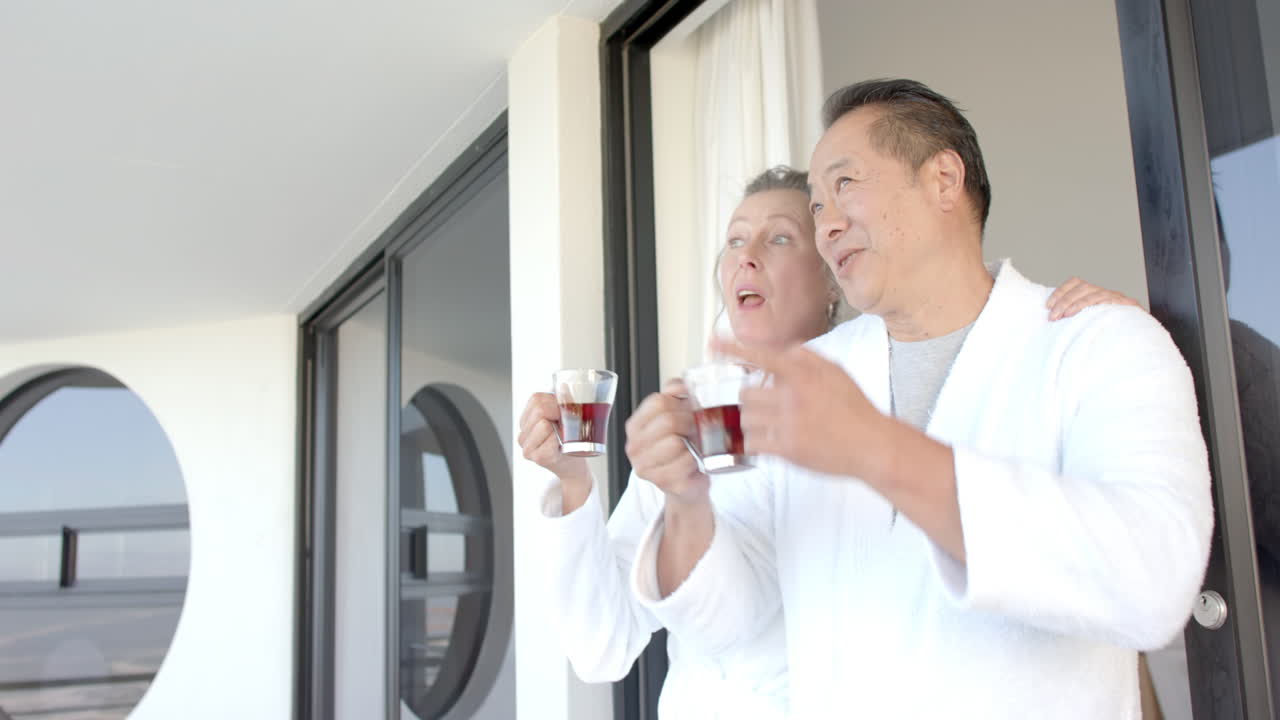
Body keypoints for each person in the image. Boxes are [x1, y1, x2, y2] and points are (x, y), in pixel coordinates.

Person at [624, 79, 1213, 719]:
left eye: (845, 185)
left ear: (943, 179)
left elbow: (1156, 578)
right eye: (817, 207)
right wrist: (686, 502)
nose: (828, 225)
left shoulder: (1098, 345)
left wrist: (878, 451)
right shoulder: (809, 378)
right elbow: (734, 620)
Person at [518, 167, 1138, 719]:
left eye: (780, 237)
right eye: (735, 239)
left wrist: (1100, 328)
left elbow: (998, 512)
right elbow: (601, 645)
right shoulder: (688, 418)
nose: (747, 256)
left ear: (834, 276)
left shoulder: (888, 402)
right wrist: (574, 484)